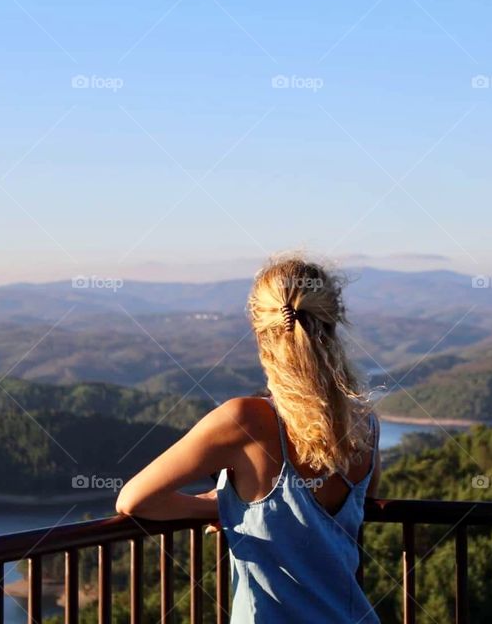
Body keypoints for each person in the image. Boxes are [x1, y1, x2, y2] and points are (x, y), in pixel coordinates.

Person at [116, 254, 381, 623]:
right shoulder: (365, 422)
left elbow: (134, 500)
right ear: (334, 323)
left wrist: (221, 507)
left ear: (260, 330)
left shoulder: (245, 421)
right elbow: (357, 510)